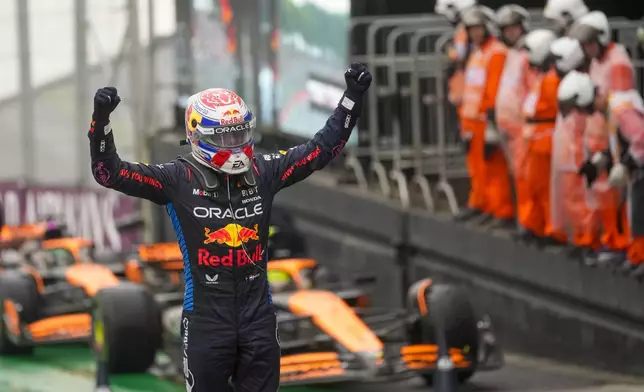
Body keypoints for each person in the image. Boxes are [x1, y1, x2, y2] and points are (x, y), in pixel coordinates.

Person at [88, 64, 372, 392]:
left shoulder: (266, 169)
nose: (235, 143)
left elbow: (321, 150)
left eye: (239, 133)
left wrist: (351, 98)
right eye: (224, 136)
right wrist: (101, 123)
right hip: (207, 323)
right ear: (199, 135)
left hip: (258, 320)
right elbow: (109, 173)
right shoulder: (175, 178)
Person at [558, 71, 644, 275]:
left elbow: (641, 138)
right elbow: (621, 142)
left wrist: (627, 165)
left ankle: (640, 256)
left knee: (639, 211)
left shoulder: (620, 110)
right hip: (638, 167)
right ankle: (637, 255)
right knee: (634, 211)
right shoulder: (613, 108)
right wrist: (597, 163)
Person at [569, 11, 635, 267]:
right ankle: (610, 240)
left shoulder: (617, 62)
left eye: (589, 42)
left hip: (613, 134)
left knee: (616, 195)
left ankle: (623, 244)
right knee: (603, 195)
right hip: (598, 133)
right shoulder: (597, 61)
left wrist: (614, 145)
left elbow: (620, 104)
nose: (586, 48)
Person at [456, 6, 513, 228]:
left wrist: (491, 123)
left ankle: (501, 209)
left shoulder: (496, 52)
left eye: (478, 28)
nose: (475, 33)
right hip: (470, 118)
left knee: (493, 166)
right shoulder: (477, 52)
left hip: (484, 119)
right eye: (471, 30)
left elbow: (493, 88)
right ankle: (480, 203)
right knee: (477, 166)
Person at [548, 37, 601, 262]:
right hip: (567, 156)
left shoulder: (582, 85)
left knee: (585, 201)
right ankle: (579, 238)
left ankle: (589, 240)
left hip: (579, 156)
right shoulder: (569, 85)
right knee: (571, 200)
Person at [520, 29, 567, 248]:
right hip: (536, 136)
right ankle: (537, 225)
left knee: (547, 189)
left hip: (545, 137)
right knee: (535, 186)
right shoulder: (544, 77)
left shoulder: (552, 80)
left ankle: (553, 230)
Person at [494, 4, 532, 238]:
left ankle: (528, 223)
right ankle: (523, 219)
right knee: (517, 174)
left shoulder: (527, 55)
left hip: (521, 126)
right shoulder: (511, 54)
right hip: (507, 124)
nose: (510, 33)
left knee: (526, 175)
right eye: (506, 29)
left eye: (514, 28)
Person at [435, 0, 477, 107]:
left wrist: (448, 49)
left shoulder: (462, 31)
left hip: (465, 80)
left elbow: (459, 55)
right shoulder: (464, 30)